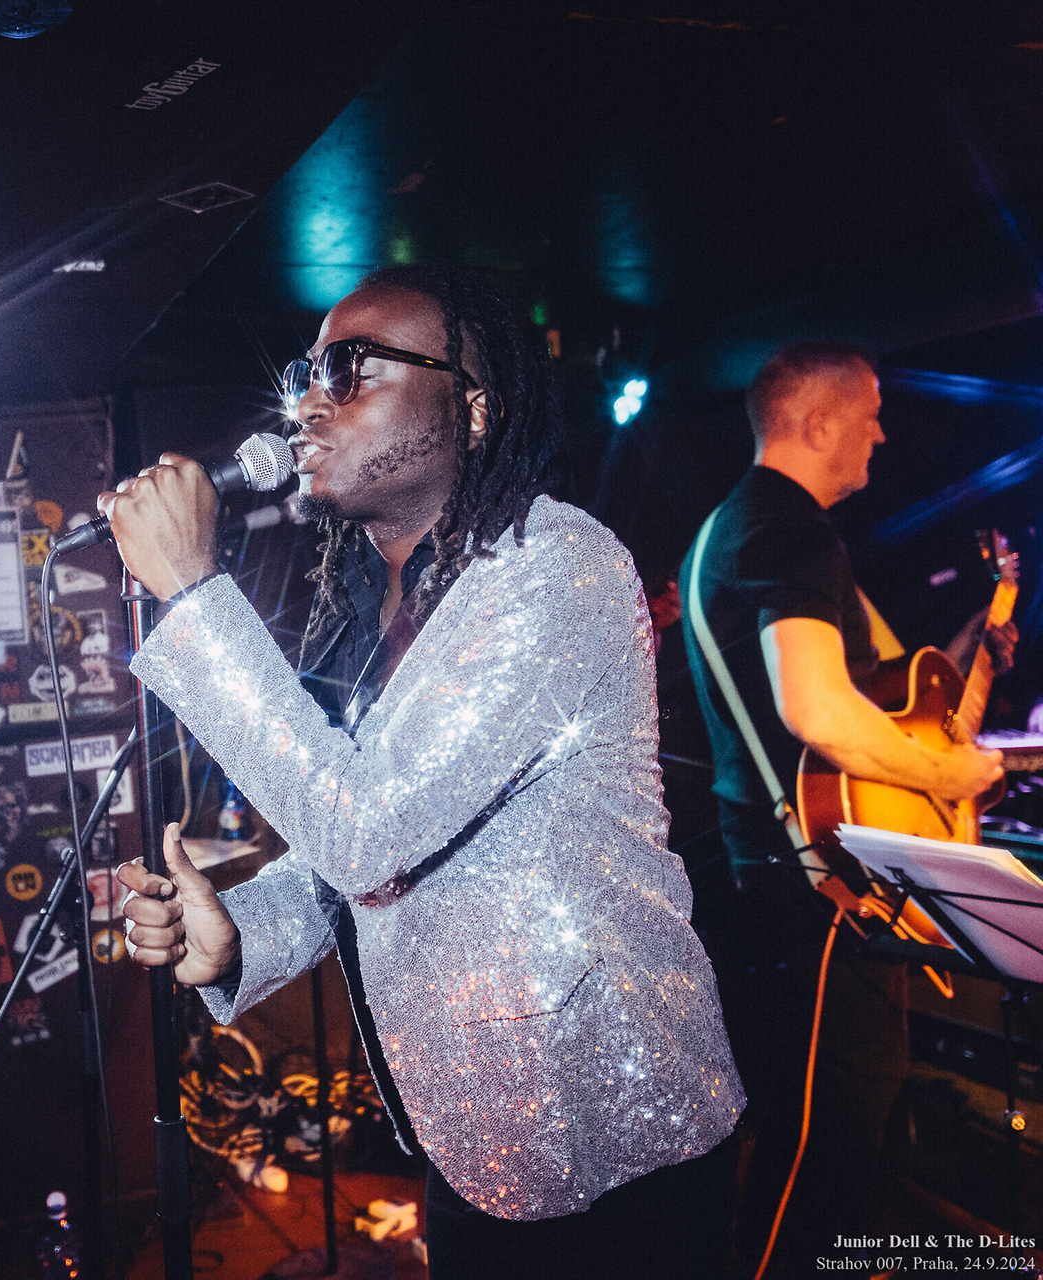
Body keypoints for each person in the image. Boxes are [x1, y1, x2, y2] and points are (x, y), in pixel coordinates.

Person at [105, 264, 744, 1279]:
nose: (311, 401)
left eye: (353, 369)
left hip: (613, 1140)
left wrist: (191, 590)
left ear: (473, 408)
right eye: (306, 373)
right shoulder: (365, 607)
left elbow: (369, 831)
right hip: (471, 1139)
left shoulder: (556, 567)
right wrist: (239, 934)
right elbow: (367, 851)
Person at [677, 341, 1013, 1275]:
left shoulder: (738, 525)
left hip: (771, 869)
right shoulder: (788, 530)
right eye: (870, 413)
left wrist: (970, 659)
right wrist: (948, 779)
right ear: (818, 423)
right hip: (817, 883)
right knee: (828, 1142)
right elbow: (818, 709)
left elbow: (884, 691)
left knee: (814, 1130)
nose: (883, 433)